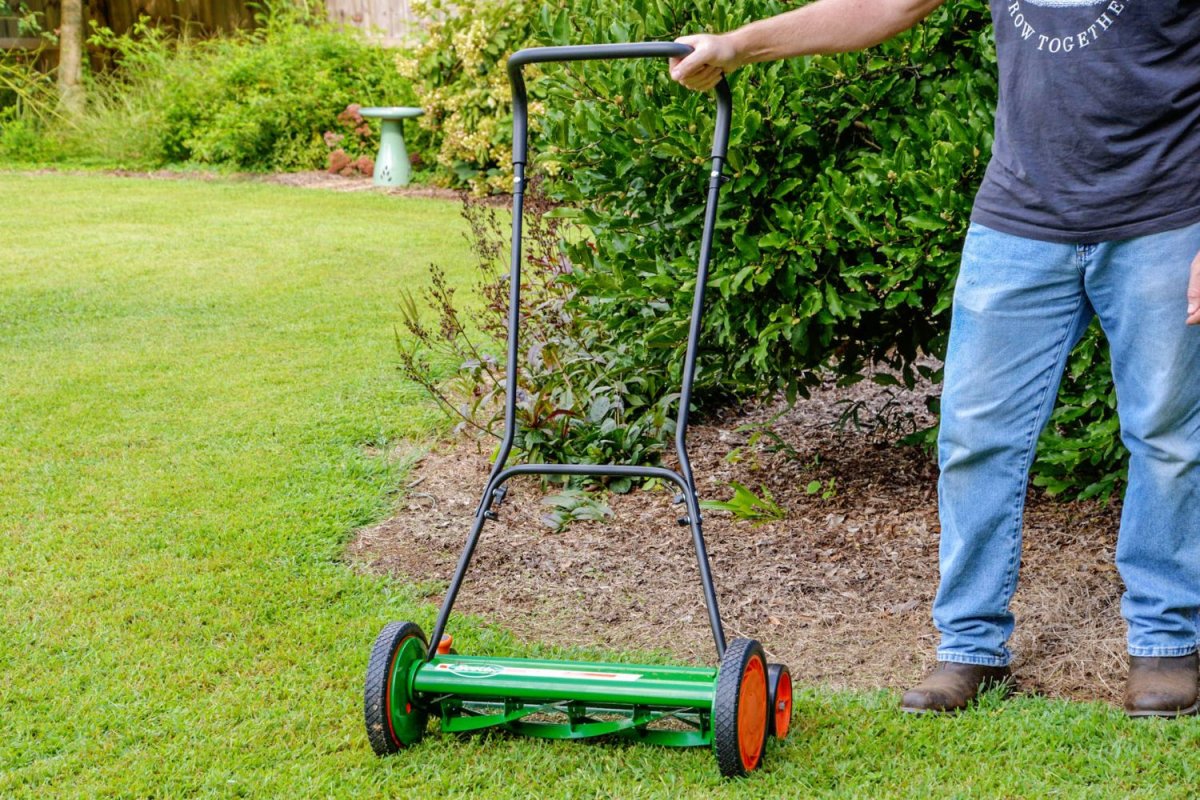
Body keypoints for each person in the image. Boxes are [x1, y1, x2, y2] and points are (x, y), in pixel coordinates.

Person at [669, 0, 1200, 717]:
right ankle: (970, 647)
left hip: (1168, 213)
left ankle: (1166, 645)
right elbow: (877, 5)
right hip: (1021, 217)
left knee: (1167, 438)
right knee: (976, 436)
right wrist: (737, 45)